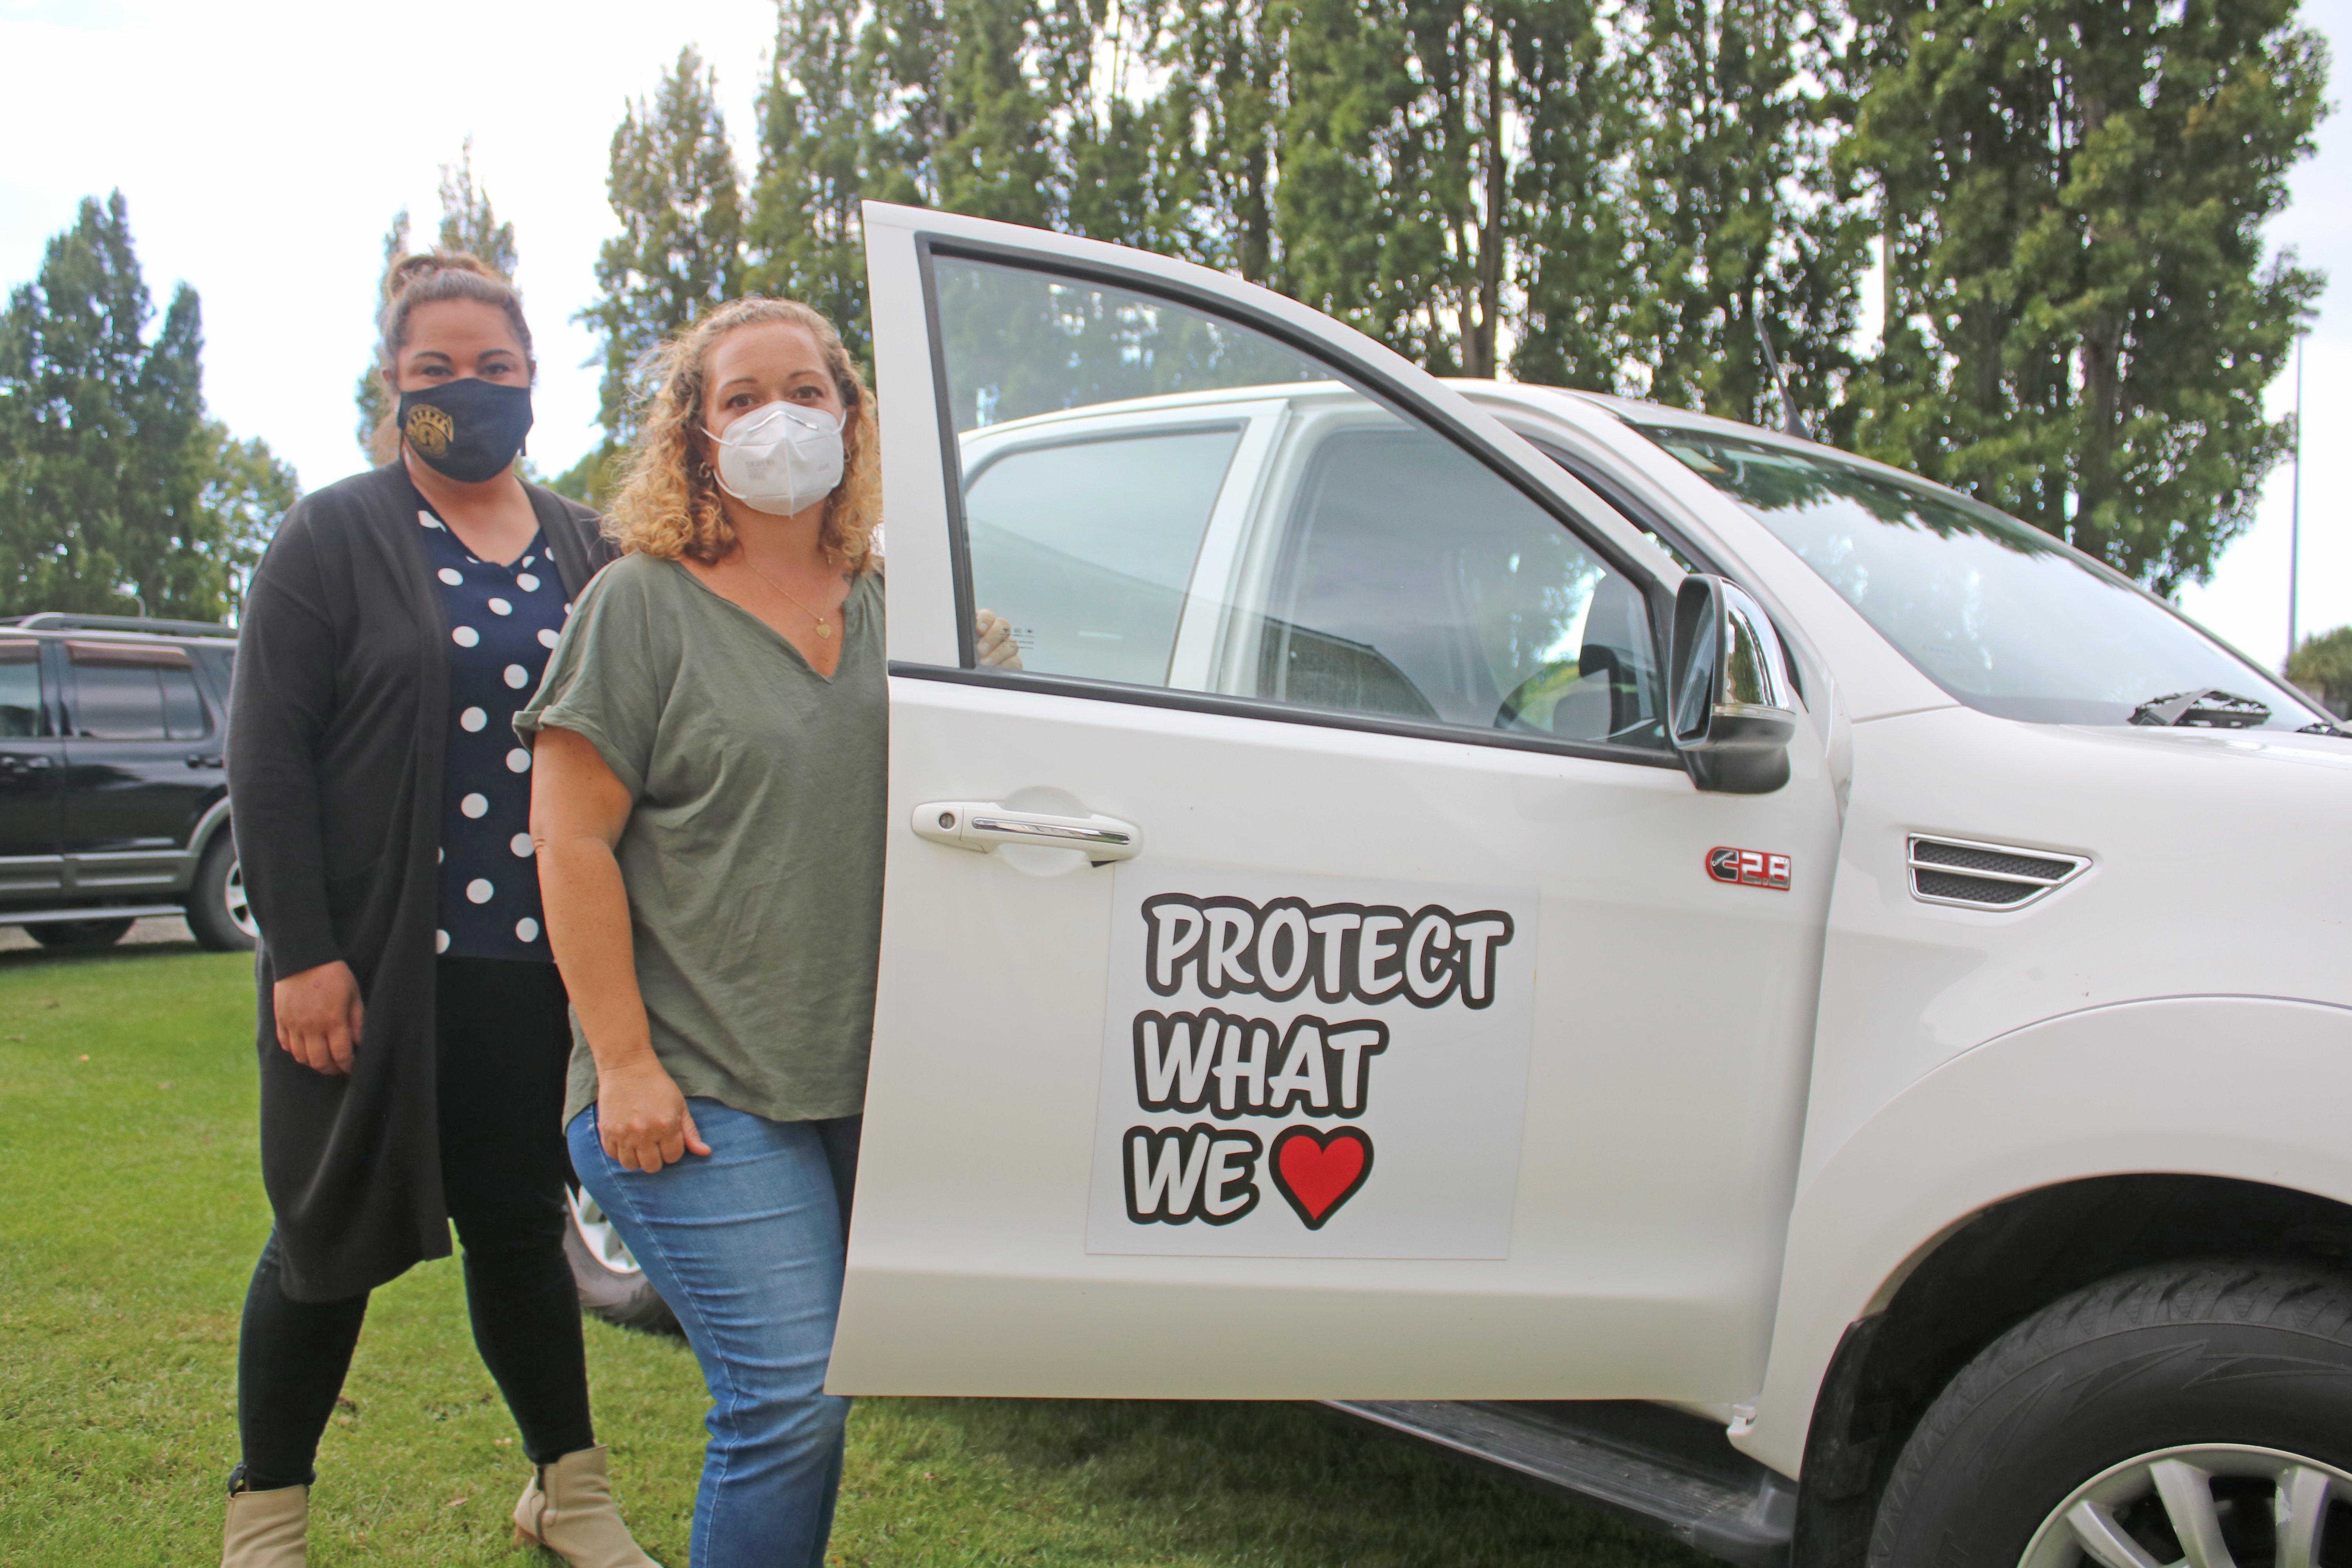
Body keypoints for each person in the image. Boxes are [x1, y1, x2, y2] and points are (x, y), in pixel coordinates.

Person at [521, 296, 1014, 1568]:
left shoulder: (909, 611)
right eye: (741, 398)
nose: (779, 418)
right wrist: (623, 1061)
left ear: (852, 417)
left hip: (860, 1081)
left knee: (817, 1393)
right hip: (689, 1079)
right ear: (694, 436)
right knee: (790, 1392)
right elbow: (569, 842)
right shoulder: (640, 606)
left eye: (807, 390)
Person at [222, 252, 659, 1568]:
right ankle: (266, 1518)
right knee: (326, 1234)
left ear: (533, 380)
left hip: (534, 974)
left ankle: (567, 1495)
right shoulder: (332, 534)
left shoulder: (593, 548)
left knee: (521, 1230)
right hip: (366, 972)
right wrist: (302, 955)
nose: (467, 394)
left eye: (495, 370)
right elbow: (266, 754)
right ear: (389, 385)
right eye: (436, 373)